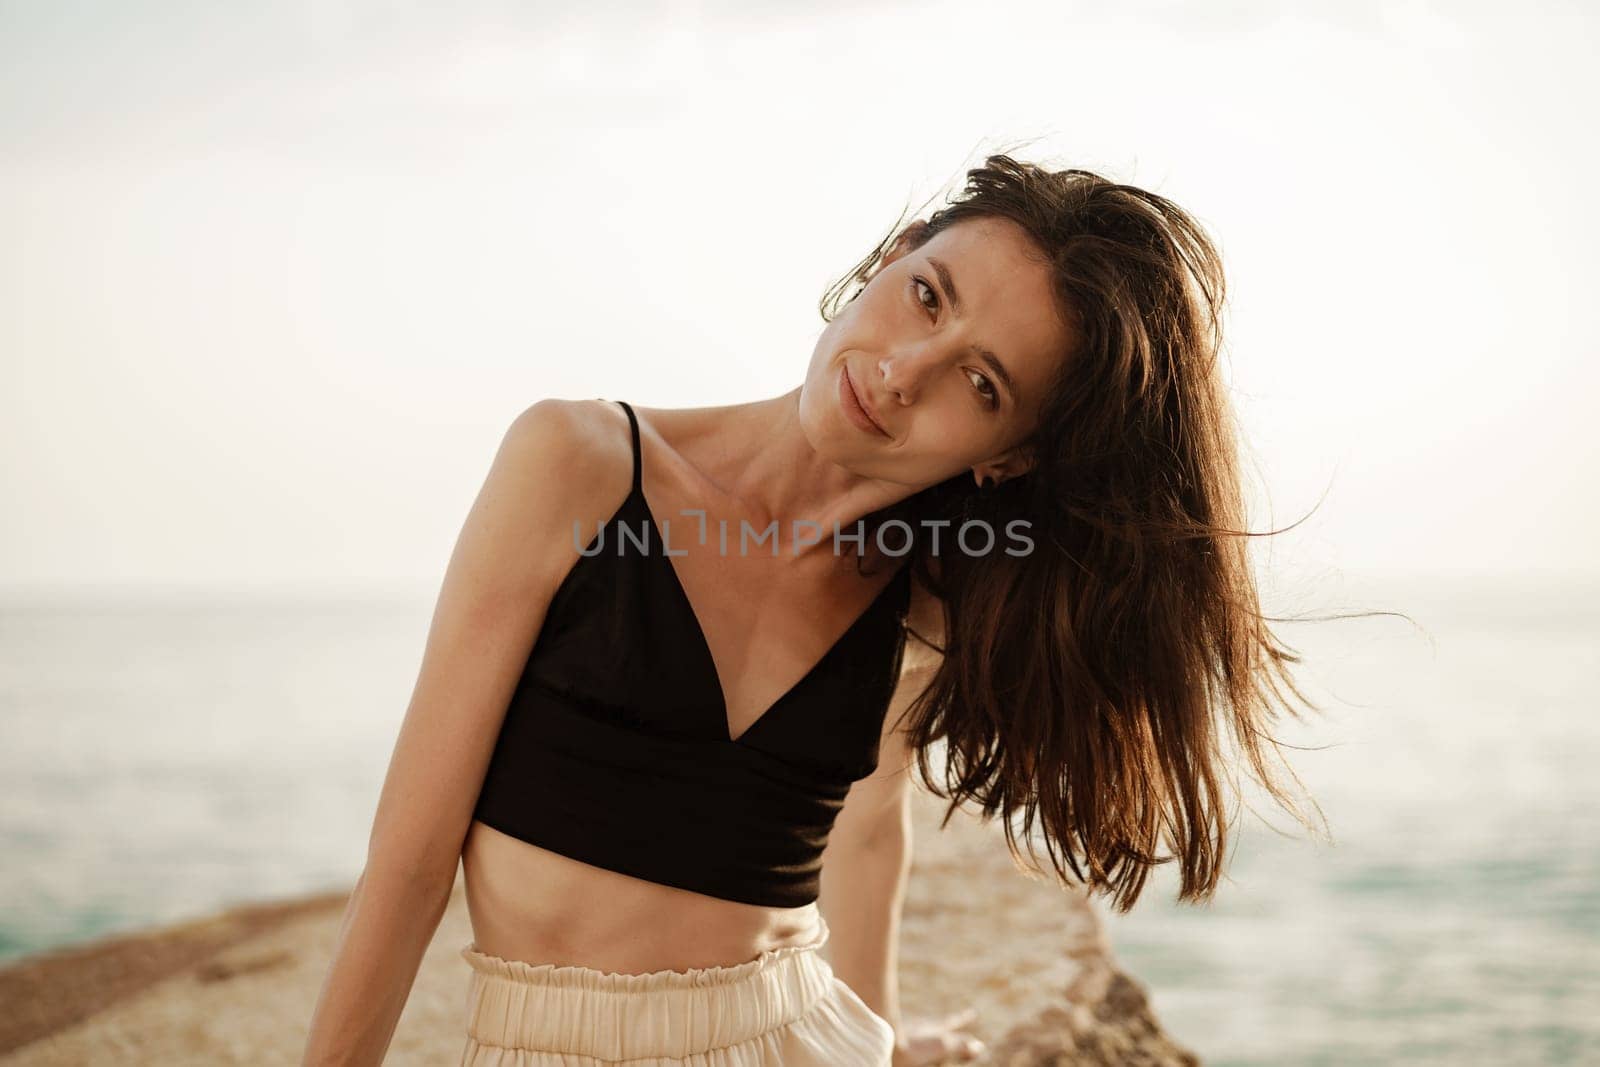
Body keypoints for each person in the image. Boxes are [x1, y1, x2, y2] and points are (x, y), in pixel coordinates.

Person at [301, 153, 1325, 1066]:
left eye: (978, 380)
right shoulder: (577, 467)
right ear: (889, 254)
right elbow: (408, 863)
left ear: (1008, 454)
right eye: (926, 295)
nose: (900, 371)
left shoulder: (927, 596)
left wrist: (872, 1038)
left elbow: (869, 829)